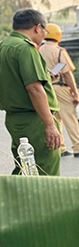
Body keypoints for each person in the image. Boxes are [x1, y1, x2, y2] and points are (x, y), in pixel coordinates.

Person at [0, 9, 61, 175]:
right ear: (37, 28)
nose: (43, 35)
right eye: (44, 31)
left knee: (24, 170)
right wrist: (49, 124)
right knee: (45, 170)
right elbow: (34, 88)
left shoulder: (4, 46)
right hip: (35, 118)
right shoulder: (25, 48)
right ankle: (46, 202)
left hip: (15, 118)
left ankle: (16, 201)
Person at [39, 24, 79, 158]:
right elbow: (67, 74)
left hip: (46, 89)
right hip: (60, 87)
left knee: (56, 119)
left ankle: (61, 148)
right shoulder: (59, 51)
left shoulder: (39, 50)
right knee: (70, 117)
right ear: (58, 35)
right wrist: (75, 93)